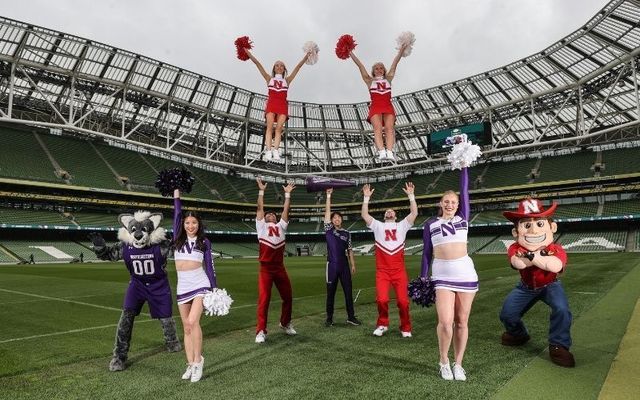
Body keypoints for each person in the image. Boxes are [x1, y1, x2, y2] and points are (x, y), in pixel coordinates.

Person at [500, 198, 575, 368]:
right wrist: (537, 258)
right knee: (507, 314)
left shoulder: (556, 248)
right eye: (526, 225)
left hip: (550, 285)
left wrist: (533, 257)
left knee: (562, 309)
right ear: (516, 232)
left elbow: (555, 266)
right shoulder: (515, 247)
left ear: (552, 227)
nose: (533, 230)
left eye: (539, 224)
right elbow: (517, 263)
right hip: (525, 287)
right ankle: (518, 334)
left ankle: (559, 344)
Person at [421, 166, 478, 381]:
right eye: (446, 201)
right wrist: (423, 277)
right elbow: (426, 253)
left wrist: (464, 166)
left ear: (458, 204)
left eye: (454, 202)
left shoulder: (463, 217)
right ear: (440, 203)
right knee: (445, 322)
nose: (450, 204)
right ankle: (443, 361)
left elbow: (464, 189)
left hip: (465, 273)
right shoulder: (430, 224)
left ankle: (459, 364)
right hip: (441, 275)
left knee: (462, 322)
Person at [361, 182, 418, 337]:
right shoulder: (378, 226)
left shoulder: (402, 226)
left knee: (403, 302)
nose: (389, 212)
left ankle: (405, 327)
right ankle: (382, 324)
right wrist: (366, 198)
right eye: (387, 211)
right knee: (381, 300)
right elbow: (365, 215)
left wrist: (411, 196)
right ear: (384, 216)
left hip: (399, 271)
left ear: (396, 216)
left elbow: (414, 214)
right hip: (383, 271)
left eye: (392, 211)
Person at [173, 189, 217, 382]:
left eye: (194, 223)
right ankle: (190, 364)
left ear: (199, 225)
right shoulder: (177, 238)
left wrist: (214, 289)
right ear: (183, 224)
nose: (191, 226)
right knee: (186, 327)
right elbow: (176, 213)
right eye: (187, 222)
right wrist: (176, 197)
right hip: (183, 285)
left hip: (200, 283)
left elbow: (210, 266)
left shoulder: (204, 241)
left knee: (193, 322)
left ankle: (198, 362)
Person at [245, 49, 310, 161]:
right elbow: (257, 64)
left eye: (281, 66)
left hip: (282, 105)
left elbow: (298, 67)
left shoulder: (287, 80)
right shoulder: (268, 78)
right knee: (270, 127)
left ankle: (275, 150)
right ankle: (268, 150)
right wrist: (248, 53)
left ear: (284, 69)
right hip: (272, 103)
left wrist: (306, 57)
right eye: (277, 65)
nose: (279, 67)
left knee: (279, 129)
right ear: (274, 68)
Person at [254, 178, 297, 343]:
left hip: (279, 267)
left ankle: (285, 323)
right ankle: (261, 331)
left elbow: (286, 212)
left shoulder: (281, 226)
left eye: (272, 214)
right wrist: (261, 191)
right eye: (267, 214)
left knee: (288, 296)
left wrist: (287, 195)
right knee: (264, 300)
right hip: (266, 268)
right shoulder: (261, 227)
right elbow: (259, 208)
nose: (269, 214)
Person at [349, 44, 407, 161]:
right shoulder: (369, 80)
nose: (379, 69)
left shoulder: (388, 78)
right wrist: (350, 52)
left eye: (381, 68)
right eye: (377, 68)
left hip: (387, 105)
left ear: (384, 70)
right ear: (373, 71)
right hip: (375, 106)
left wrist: (401, 51)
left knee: (390, 128)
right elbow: (360, 65)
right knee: (378, 128)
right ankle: (381, 151)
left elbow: (395, 63)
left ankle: (389, 151)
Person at [323, 187, 361, 327]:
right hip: (331, 266)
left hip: (344, 266)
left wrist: (353, 264)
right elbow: (327, 213)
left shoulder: (347, 233)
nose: (336, 219)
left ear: (341, 220)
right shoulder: (329, 230)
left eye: (339, 217)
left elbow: (350, 250)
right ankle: (329, 318)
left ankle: (351, 317)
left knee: (348, 292)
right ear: (332, 221)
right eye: (334, 218)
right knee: (330, 294)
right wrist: (328, 197)